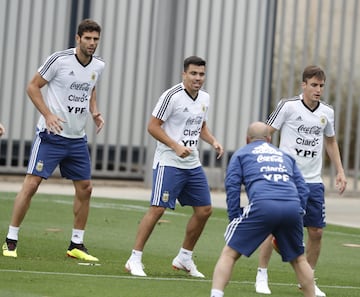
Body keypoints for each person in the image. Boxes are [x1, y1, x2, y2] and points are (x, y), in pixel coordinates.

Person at [2, 19, 105, 261]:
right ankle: (10, 240)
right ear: (77, 38)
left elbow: (90, 87)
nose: (92, 43)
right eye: (88, 38)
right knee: (31, 185)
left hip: (77, 139)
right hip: (51, 137)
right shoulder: (59, 60)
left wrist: (94, 110)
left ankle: (76, 245)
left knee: (86, 189)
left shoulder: (99, 65)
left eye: (96, 39)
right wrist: (47, 115)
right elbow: (33, 86)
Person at [125, 55, 224, 277]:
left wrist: (213, 141)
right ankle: (134, 258)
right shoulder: (171, 96)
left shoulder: (205, 98)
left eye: (201, 74)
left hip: (192, 162)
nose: (198, 78)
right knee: (158, 208)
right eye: (194, 73)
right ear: (184, 74)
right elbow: (152, 126)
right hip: (169, 161)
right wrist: (175, 145)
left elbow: (200, 126)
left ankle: (184, 258)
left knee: (205, 210)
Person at [255, 65, 347, 296]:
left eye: (321, 86)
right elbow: (267, 132)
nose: (318, 90)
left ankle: (307, 279)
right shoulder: (288, 106)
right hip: (285, 178)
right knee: (273, 225)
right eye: (314, 85)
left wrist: (340, 171)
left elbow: (331, 141)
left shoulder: (327, 112)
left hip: (313, 181)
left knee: (316, 232)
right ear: (303, 85)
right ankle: (261, 275)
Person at [210, 121, 315, 297]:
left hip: (263, 206)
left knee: (229, 254)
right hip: (291, 206)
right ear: (269, 138)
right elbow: (303, 189)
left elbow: (232, 186)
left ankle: (216, 294)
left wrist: (234, 216)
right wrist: (299, 212)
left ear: (247, 139)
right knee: (299, 259)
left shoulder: (242, 154)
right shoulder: (284, 156)